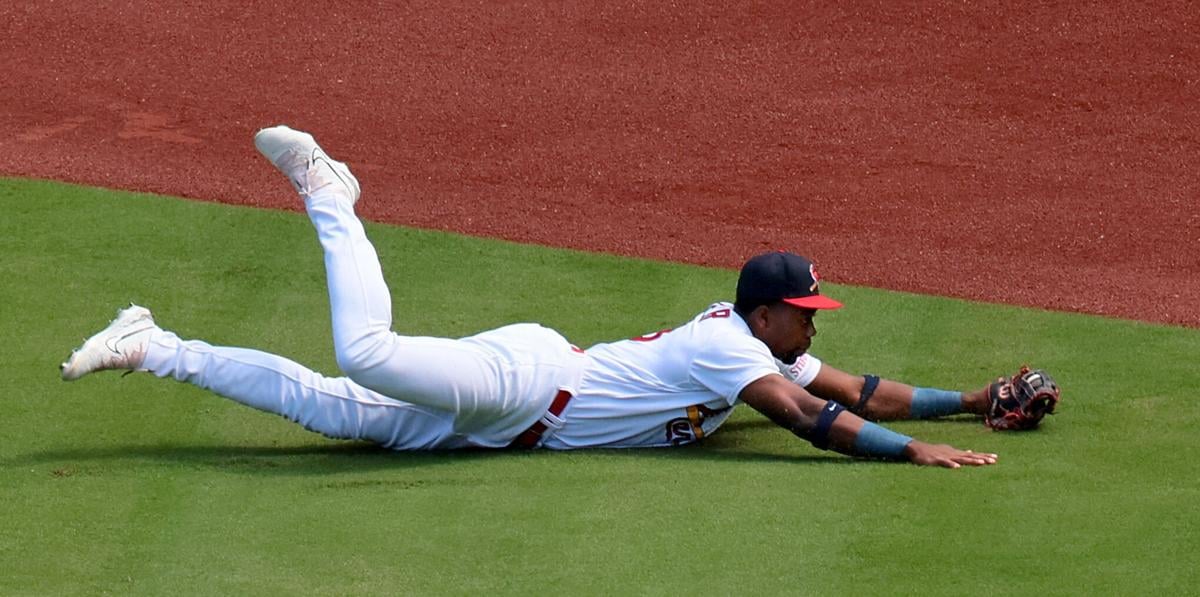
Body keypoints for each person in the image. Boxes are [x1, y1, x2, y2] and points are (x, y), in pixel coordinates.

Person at [60, 126, 999, 468]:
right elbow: (808, 418)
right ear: (763, 313)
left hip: (496, 428)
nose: (812, 323)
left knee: (331, 406)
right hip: (525, 381)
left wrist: (973, 400)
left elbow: (856, 389)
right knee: (365, 354)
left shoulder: (767, 349)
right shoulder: (731, 350)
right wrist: (915, 450)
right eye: (805, 312)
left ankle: (156, 346)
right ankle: (331, 194)